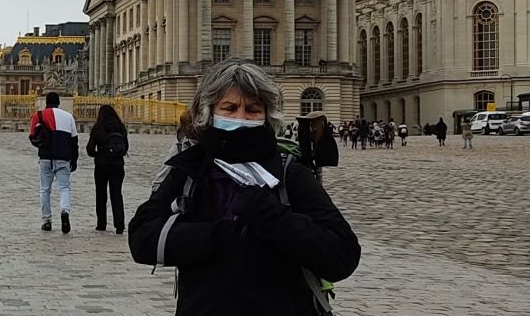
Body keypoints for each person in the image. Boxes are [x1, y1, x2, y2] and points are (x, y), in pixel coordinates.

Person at [128, 60, 360, 315]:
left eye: (252, 109)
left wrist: (273, 218)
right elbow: (142, 238)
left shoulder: (289, 172)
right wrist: (221, 236)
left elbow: (342, 255)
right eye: (230, 108)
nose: (241, 117)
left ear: (266, 116)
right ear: (209, 113)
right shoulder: (191, 169)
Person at [29, 92, 79, 233]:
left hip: (45, 158)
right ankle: (64, 211)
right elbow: (74, 142)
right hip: (63, 157)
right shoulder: (68, 116)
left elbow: (32, 136)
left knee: (45, 189)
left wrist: (43, 145)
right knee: (64, 188)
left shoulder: (38, 116)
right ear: (59, 102)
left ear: (46, 102)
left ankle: (46, 220)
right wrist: (74, 160)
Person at [84, 105, 128, 234]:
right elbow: (125, 147)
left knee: (101, 194)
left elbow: (90, 149)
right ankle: (119, 225)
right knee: (117, 194)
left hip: (101, 164)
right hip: (118, 165)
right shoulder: (121, 127)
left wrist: (98, 155)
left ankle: (101, 223)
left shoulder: (98, 127)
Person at [295, 111, 340, 178]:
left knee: (318, 170)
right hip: (312, 155)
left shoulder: (319, 129)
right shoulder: (316, 128)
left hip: (316, 155)